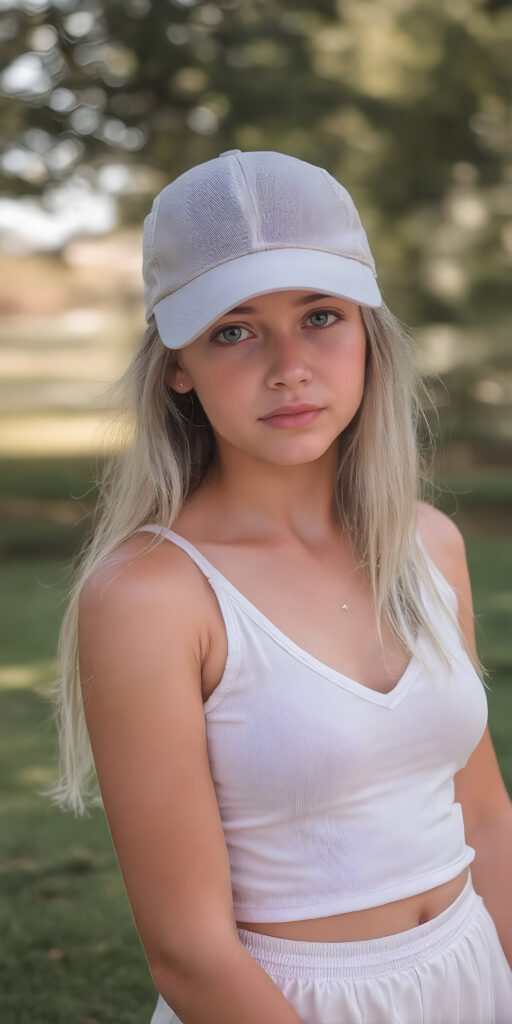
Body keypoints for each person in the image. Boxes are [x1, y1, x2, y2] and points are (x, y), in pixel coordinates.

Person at [46, 150, 512, 1023]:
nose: (289, 366)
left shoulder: (428, 544)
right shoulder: (152, 596)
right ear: (177, 364)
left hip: (474, 970)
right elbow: (189, 953)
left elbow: (484, 816)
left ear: (369, 334)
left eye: (321, 316)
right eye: (234, 328)